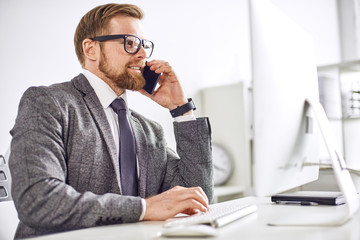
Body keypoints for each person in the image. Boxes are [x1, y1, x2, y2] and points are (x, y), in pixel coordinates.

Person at [9, 3, 213, 239]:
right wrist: (145, 208)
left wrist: (181, 110)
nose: (143, 54)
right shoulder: (48, 102)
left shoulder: (150, 130)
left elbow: (198, 197)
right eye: (130, 42)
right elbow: (38, 199)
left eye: (144, 45)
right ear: (91, 49)